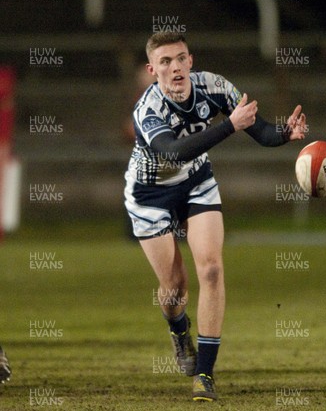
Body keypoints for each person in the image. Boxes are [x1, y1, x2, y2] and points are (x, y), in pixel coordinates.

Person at [124, 32, 307, 402]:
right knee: (175, 288)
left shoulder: (215, 86)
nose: (174, 67)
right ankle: (178, 330)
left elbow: (261, 131)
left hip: (196, 184)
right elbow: (174, 153)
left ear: (190, 60)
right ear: (152, 70)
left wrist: (285, 133)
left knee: (210, 269)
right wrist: (229, 125)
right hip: (150, 197)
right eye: (165, 62)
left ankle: (204, 374)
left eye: (180, 59)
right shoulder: (147, 109)